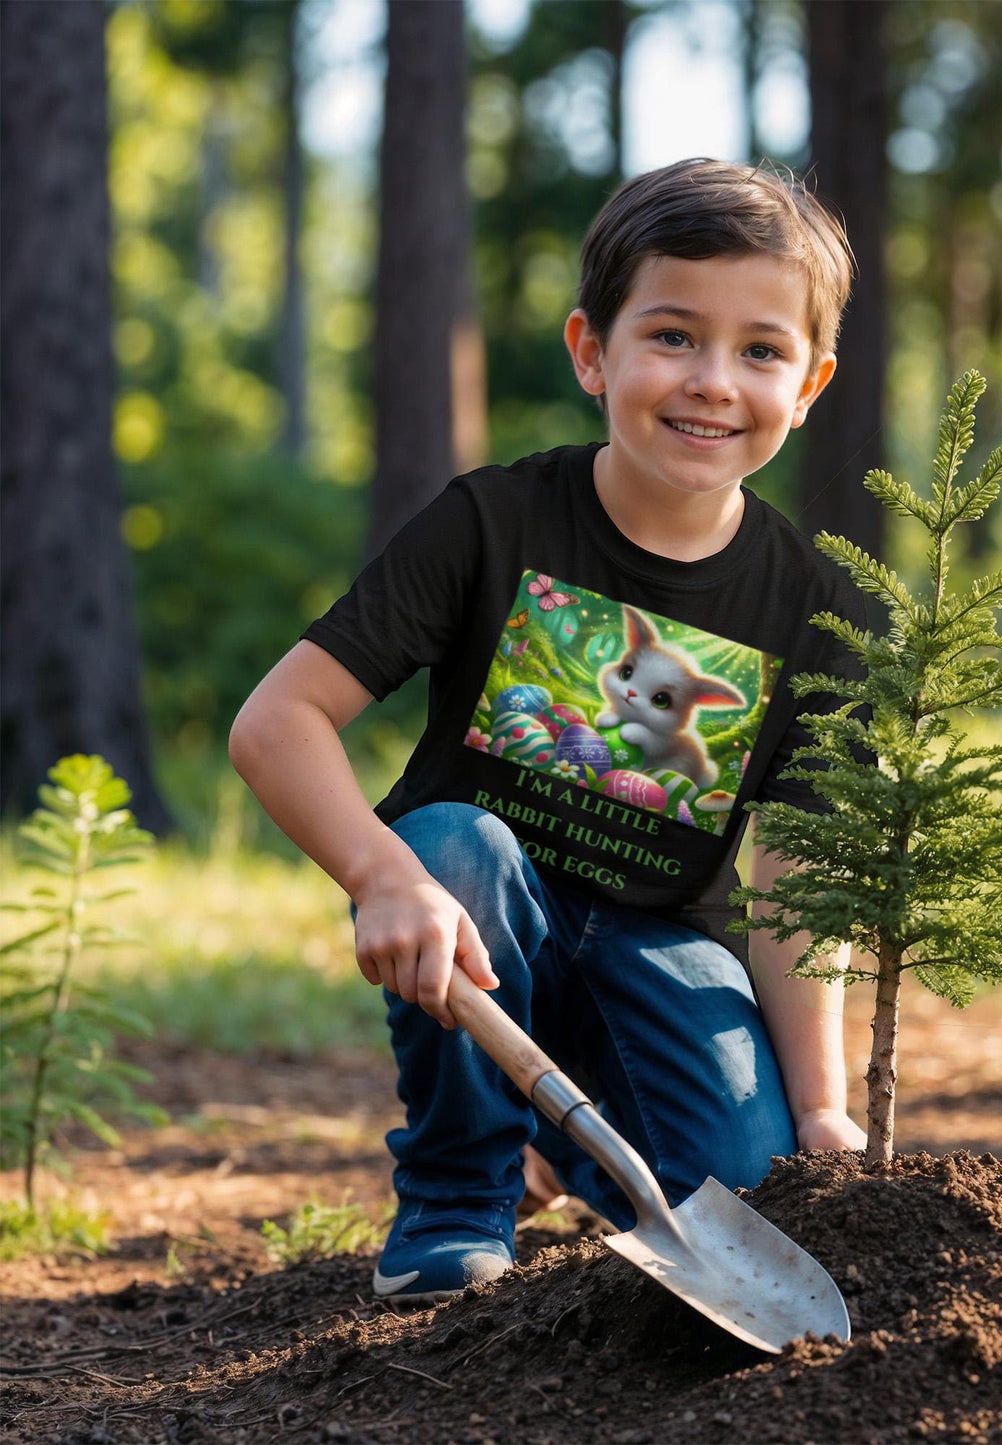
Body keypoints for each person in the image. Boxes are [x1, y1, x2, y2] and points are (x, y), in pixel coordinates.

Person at [229, 157, 868, 1305]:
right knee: (458, 845)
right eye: (671, 335)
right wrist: (382, 873)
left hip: (659, 942)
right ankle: (456, 1192)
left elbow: (798, 868)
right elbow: (278, 722)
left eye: (760, 350)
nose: (712, 381)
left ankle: (568, 1144)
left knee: (745, 1177)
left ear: (810, 380)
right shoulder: (493, 521)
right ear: (591, 350)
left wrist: (821, 1103)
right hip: (478, 920)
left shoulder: (808, 607)